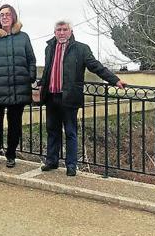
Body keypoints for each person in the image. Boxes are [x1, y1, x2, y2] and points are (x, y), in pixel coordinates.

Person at [39, 20, 126, 176]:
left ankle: (71, 165)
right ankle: (51, 161)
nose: (61, 32)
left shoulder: (81, 49)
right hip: (51, 96)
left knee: (70, 132)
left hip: (70, 97)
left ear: (70, 32)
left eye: (65, 29)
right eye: (58, 29)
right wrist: (41, 84)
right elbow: (48, 71)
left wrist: (115, 80)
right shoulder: (49, 48)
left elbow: (96, 66)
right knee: (52, 131)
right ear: (54, 32)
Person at [0, 4, 36, 168]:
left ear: (13, 17)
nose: (4, 17)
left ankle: (11, 155)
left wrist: (30, 76)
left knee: (15, 125)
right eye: (1, 14)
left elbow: (31, 60)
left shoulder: (23, 37)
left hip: (19, 88)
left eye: (7, 14)